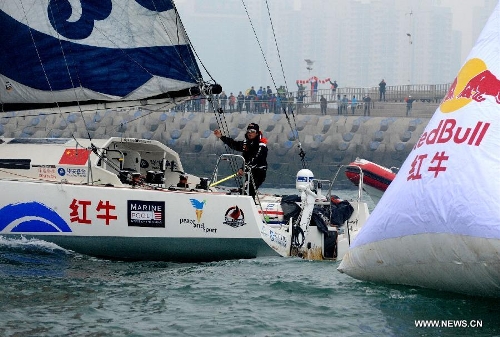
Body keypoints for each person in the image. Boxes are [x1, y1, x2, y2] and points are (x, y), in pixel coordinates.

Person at [214, 123, 268, 199]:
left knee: (249, 189)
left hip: (258, 172)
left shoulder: (261, 145)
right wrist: (221, 137)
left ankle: (251, 205)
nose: (250, 133)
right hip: (248, 171)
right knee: (243, 189)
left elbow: (256, 158)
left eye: (252, 131)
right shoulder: (246, 144)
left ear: (257, 133)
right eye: (248, 131)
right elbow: (234, 144)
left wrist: (243, 168)